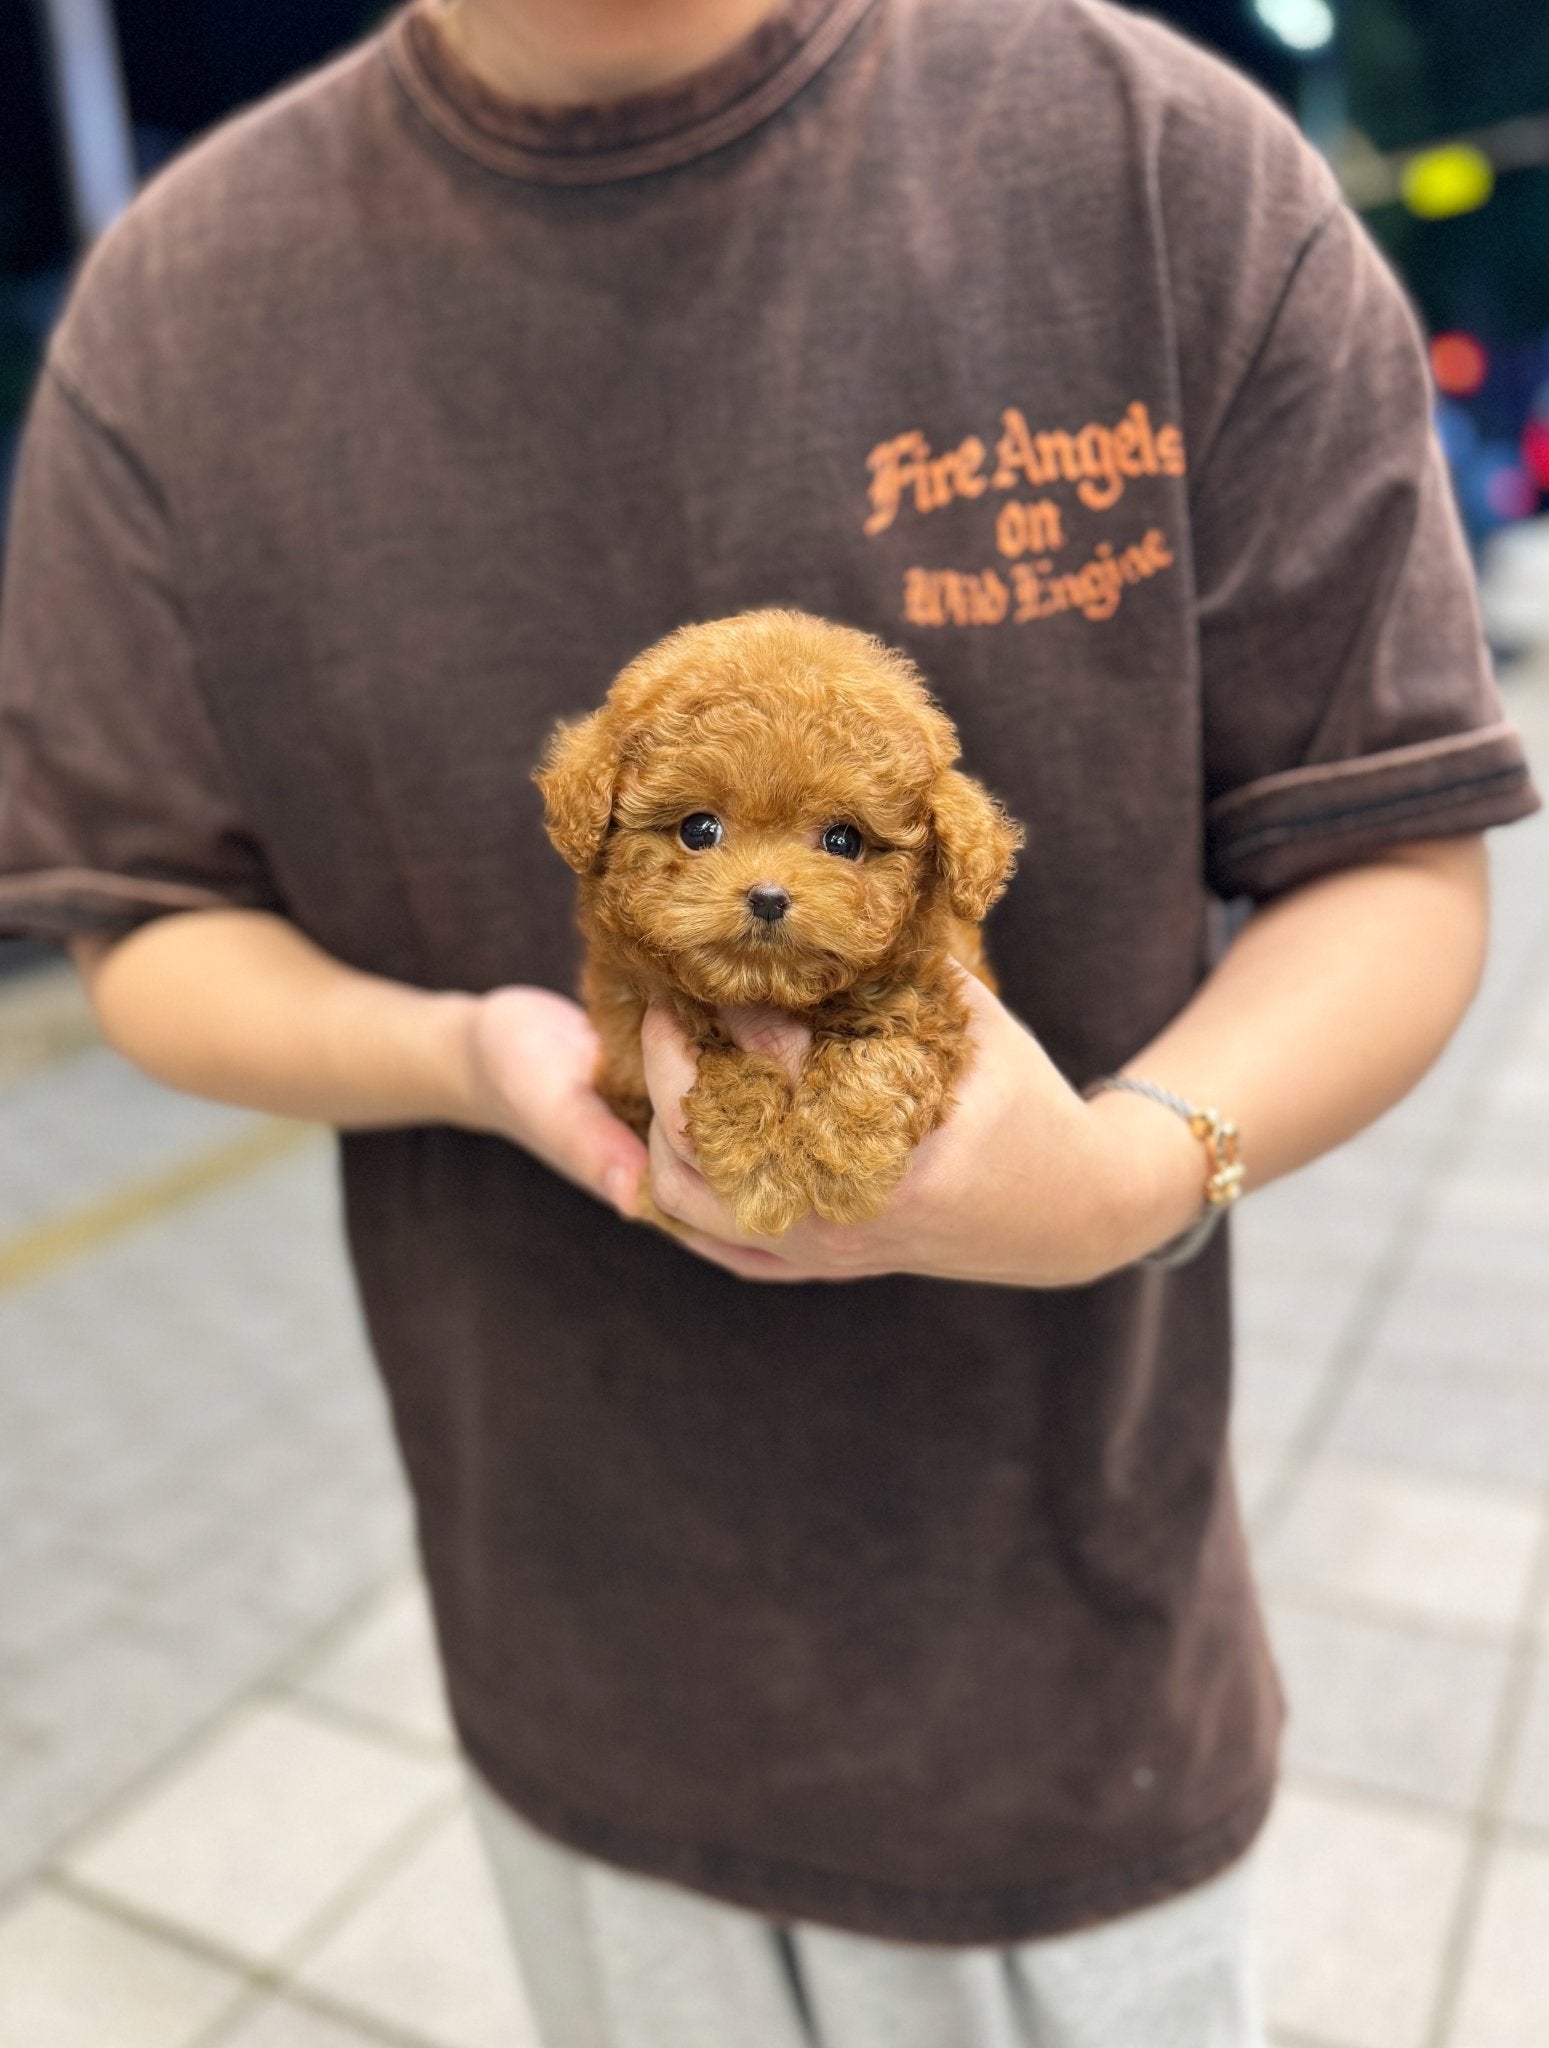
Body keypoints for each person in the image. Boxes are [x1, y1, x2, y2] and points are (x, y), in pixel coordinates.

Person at [0, 0, 1539, 2040]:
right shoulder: (178, 305)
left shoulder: (1155, 163)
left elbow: (1395, 856)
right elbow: (149, 926)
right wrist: (471, 1058)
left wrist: (1118, 1178)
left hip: (1071, 1676)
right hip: (561, 1625)